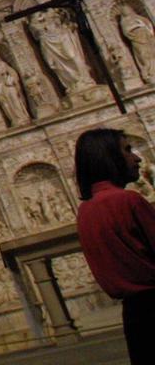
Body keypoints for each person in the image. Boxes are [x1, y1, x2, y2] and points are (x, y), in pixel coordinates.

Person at [75, 128, 155, 362]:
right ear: (108, 158)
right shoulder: (127, 200)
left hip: (134, 315)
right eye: (127, 150)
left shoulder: (85, 210)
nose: (137, 158)